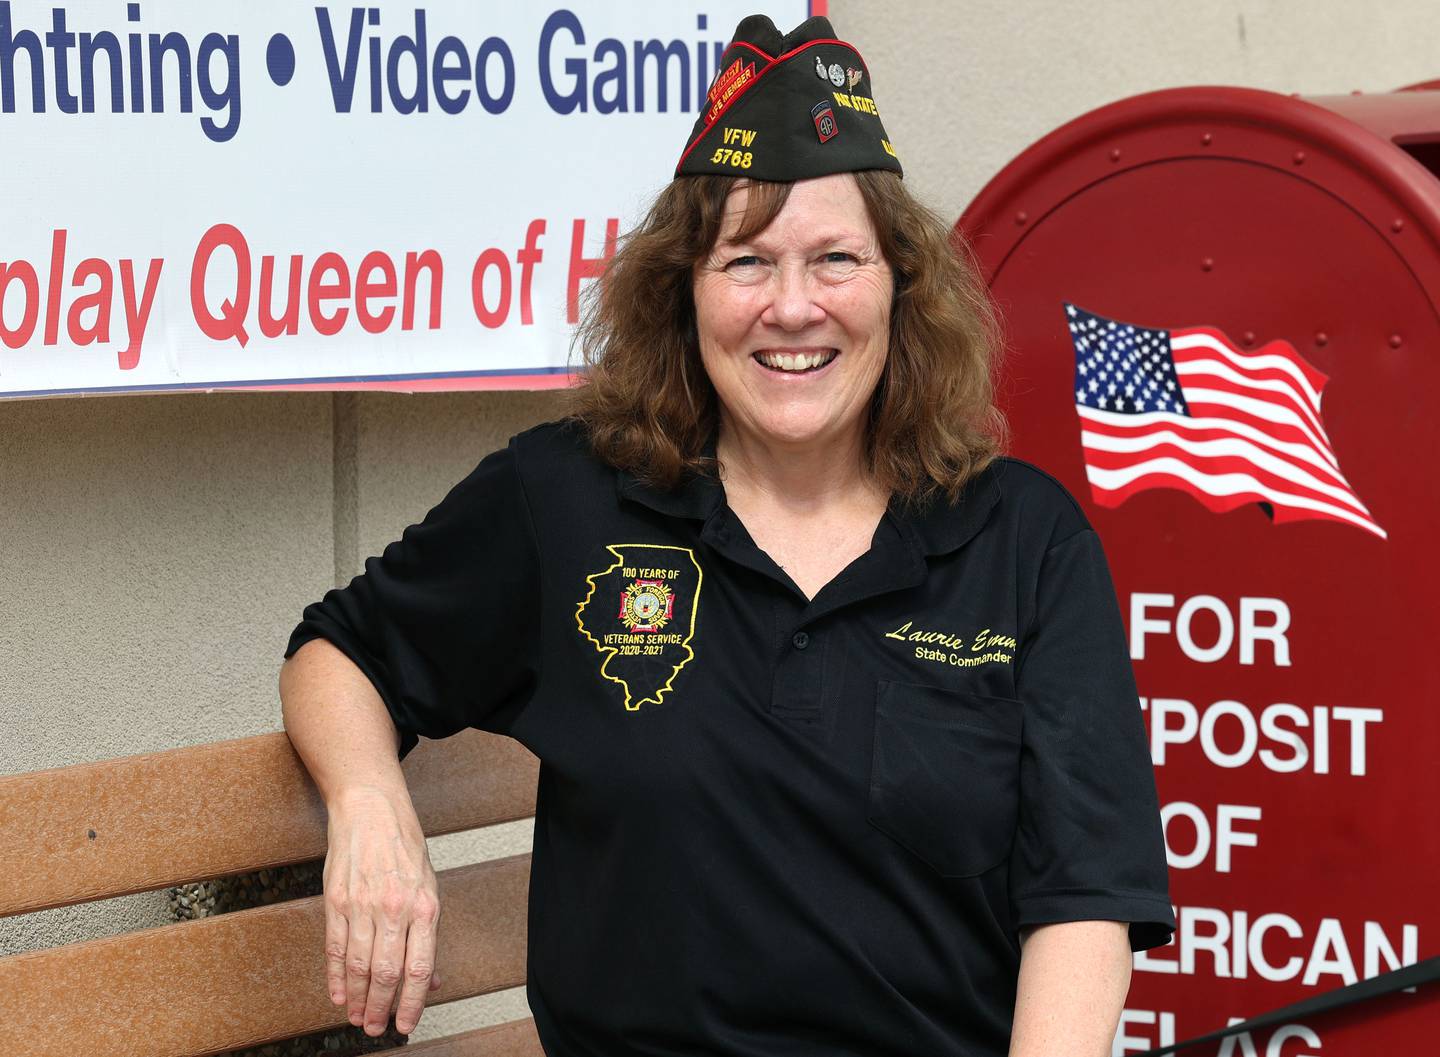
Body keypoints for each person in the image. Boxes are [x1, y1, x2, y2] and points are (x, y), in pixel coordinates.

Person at [279, 13, 1175, 1057]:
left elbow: (1084, 899)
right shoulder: (568, 499)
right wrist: (369, 797)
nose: (792, 308)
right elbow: (341, 651)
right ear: (681, 293)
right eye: (746, 262)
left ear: (901, 288)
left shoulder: (1022, 539)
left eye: (836, 258)